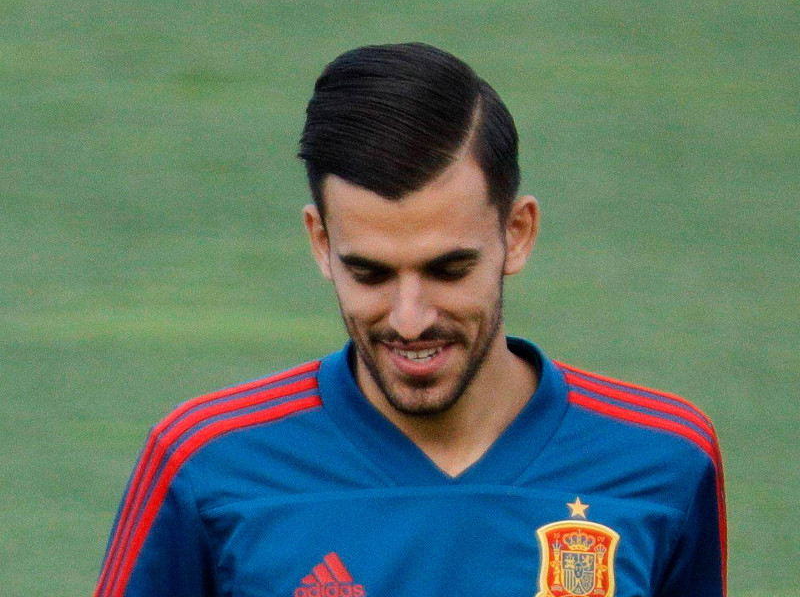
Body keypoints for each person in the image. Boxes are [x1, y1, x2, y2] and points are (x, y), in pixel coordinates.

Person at [94, 43, 726, 597]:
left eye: (448, 270)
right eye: (370, 273)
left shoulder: (665, 461)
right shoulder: (206, 464)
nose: (411, 319)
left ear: (518, 232)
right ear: (320, 243)